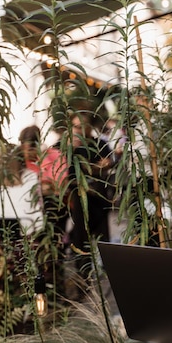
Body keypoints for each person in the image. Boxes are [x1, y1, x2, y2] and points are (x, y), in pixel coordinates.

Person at [65, 112, 115, 280]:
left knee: (103, 236)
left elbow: (108, 162)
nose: (77, 130)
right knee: (81, 235)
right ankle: (83, 272)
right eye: (74, 127)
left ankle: (109, 269)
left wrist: (100, 166)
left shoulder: (98, 143)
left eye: (80, 127)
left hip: (99, 198)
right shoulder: (68, 146)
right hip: (78, 198)